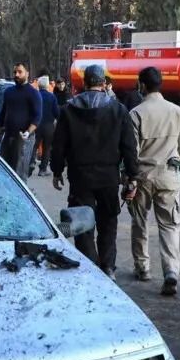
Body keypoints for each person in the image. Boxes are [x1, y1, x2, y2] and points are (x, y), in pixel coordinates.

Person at [51, 63, 139, 278]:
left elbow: (59, 144)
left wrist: (56, 171)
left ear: (84, 83)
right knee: (108, 221)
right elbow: (129, 146)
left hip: (80, 177)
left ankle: (89, 266)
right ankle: (108, 266)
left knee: (81, 223)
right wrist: (132, 176)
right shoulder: (118, 110)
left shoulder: (69, 110)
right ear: (104, 83)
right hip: (109, 177)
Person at [129, 67, 180, 295]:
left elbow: (132, 152)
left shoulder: (135, 113)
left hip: (143, 176)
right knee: (170, 225)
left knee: (140, 222)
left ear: (142, 85)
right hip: (169, 177)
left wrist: (129, 179)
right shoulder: (176, 111)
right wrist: (174, 165)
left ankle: (143, 267)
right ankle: (171, 271)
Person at [0, 63, 42, 178]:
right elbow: (3, 113)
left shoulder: (34, 93)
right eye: (15, 72)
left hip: (24, 139)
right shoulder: (8, 92)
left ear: (27, 73)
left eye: (20, 72)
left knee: (19, 174)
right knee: (4, 170)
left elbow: (37, 117)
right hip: (8, 136)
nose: (16, 74)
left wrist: (28, 132)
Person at [31, 77, 60, 175]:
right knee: (47, 148)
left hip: (36, 125)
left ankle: (31, 163)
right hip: (48, 126)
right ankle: (43, 169)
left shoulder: (35, 96)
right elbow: (56, 112)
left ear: (38, 85)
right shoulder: (52, 97)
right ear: (47, 85)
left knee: (34, 146)